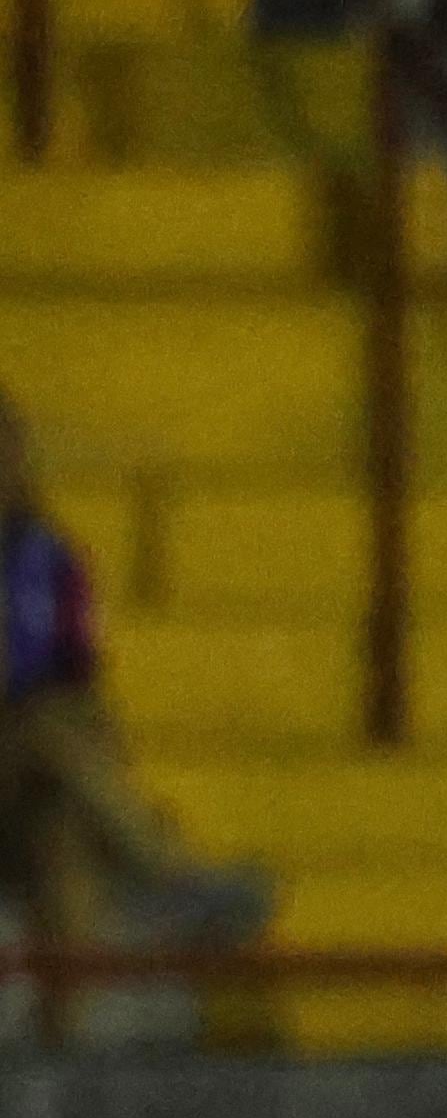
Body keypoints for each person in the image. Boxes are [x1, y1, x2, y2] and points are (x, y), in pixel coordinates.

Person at [0, 387, 267, 983]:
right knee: (47, 728)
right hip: (24, 746)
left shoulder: (48, 559)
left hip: (29, 782)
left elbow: (79, 674)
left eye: (9, 454)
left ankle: (69, 1043)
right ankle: (170, 871)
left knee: (59, 827)